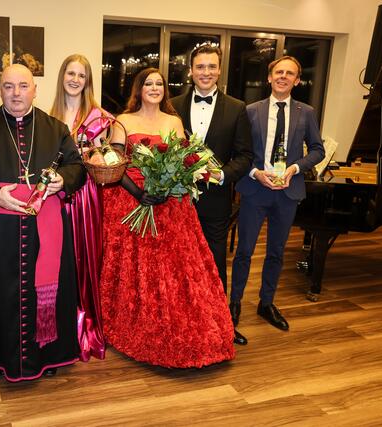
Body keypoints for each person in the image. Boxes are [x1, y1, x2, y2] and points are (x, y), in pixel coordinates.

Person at [0, 64, 85, 381]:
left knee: (45, 292)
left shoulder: (55, 128)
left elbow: (77, 167)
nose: (16, 94)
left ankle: (48, 355)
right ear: (0, 90)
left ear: (34, 90)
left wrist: (62, 179)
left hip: (45, 227)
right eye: (8, 86)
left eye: (23, 86)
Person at [100, 68, 235, 368]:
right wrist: (139, 193)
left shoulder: (174, 121)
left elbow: (183, 160)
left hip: (172, 204)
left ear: (165, 89)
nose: (154, 88)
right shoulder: (123, 121)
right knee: (139, 269)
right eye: (148, 83)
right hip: (133, 200)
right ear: (138, 89)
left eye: (159, 84)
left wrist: (170, 185)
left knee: (176, 269)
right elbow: (114, 162)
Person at [230, 56, 325, 332]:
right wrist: (255, 173)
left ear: (297, 80)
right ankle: (234, 302)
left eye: (290, 73)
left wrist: (295, 168)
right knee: (244, 251)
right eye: (279, 72)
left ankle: (266, 303)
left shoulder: (306, 112)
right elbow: (238, 152)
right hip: (255, 190)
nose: (283, 76)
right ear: (269, 77)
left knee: (276, 252)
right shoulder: (250, 111)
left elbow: (317, 150)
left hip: (287, 192)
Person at [170, 44, 253, 346]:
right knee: (178, 262)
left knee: (215, 263)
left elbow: (245, 156)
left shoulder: (237, 108)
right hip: (177, 200)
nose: (205, 72)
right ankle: (181, 323)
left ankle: (221, 325)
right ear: (191, 71)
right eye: (200, 67)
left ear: (219, 70)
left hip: (215, 201)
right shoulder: (172, 105)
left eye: (211, 67)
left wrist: (221, 175)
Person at [50, 54, 110, 361]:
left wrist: (97, 154)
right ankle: (58, 326)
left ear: (88, 81)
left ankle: (85, 325)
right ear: (62, 76)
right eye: (70, 73)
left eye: (81, 75)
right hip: (56, 196)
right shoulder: (50, 114)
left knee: (84, 257)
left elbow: (105, 159)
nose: (75, 80)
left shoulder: (99, 117)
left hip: (85, 195)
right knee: (57, 259)